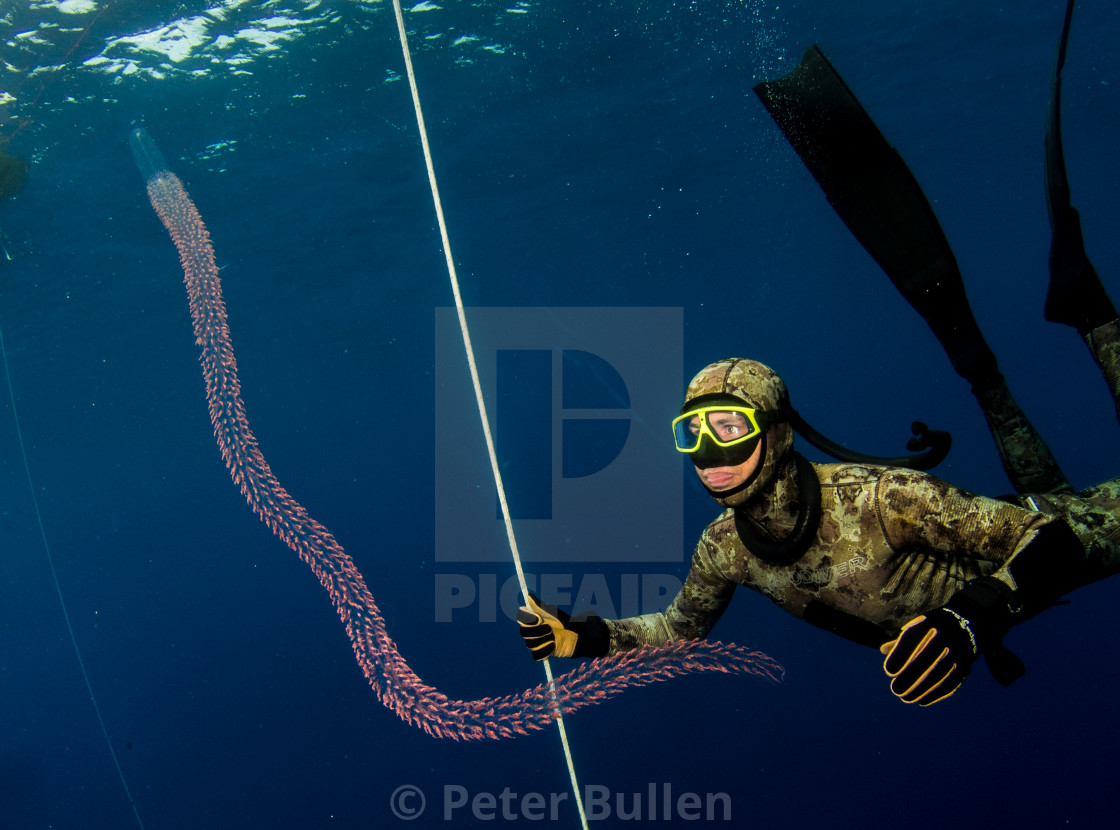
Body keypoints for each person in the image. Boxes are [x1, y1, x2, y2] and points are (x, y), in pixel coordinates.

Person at [517, 2, 1120, 706]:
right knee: (1033, 499)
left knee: (1061, 515)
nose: (711, 451)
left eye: (730, 426)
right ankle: (992, 375)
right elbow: (681, 628)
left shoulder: (883, 498)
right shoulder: (725, 548)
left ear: (777, 433)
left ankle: (1097, 321)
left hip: (1050, 551)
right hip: (1000, 542)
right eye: (693, 432)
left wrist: (971, 620)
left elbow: (1050, 544)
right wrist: (581, 637)